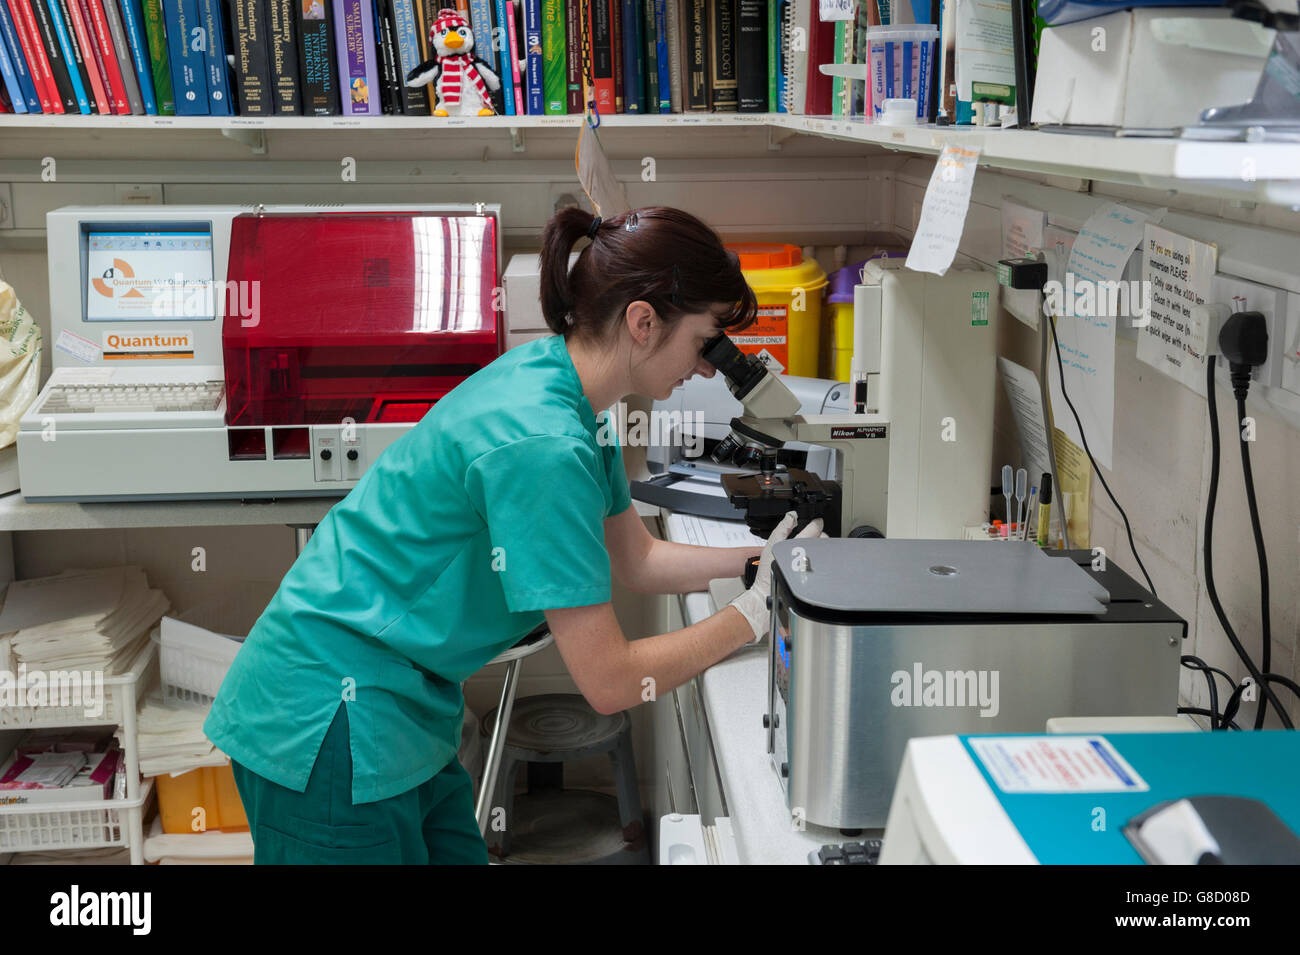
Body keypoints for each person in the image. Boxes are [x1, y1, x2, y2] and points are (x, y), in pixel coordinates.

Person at [204, 206, 823, 864]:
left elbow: (636, 558)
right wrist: (746, 620)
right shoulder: (546, 442)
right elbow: (611, 681)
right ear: (643, 322)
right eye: (706, 342)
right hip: (328, 718)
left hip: (405, 706)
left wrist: (765, 561)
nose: (707, 370)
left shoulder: (565, 391)